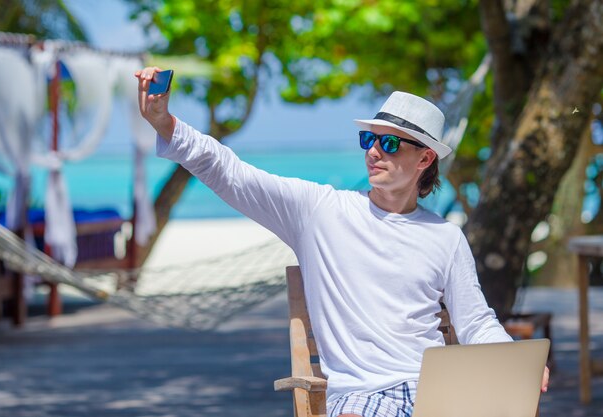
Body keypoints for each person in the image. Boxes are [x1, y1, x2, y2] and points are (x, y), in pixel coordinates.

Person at [136, 67, 549, 417]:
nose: (374, 153)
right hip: (362, 397)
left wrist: (517, 365)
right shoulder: (320, 212)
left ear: (425, 159)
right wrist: (165, 123)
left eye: (389, 143)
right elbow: (231, 172)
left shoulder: (445, 237)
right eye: (369, 140)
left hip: (436, 393)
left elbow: (475, 322)